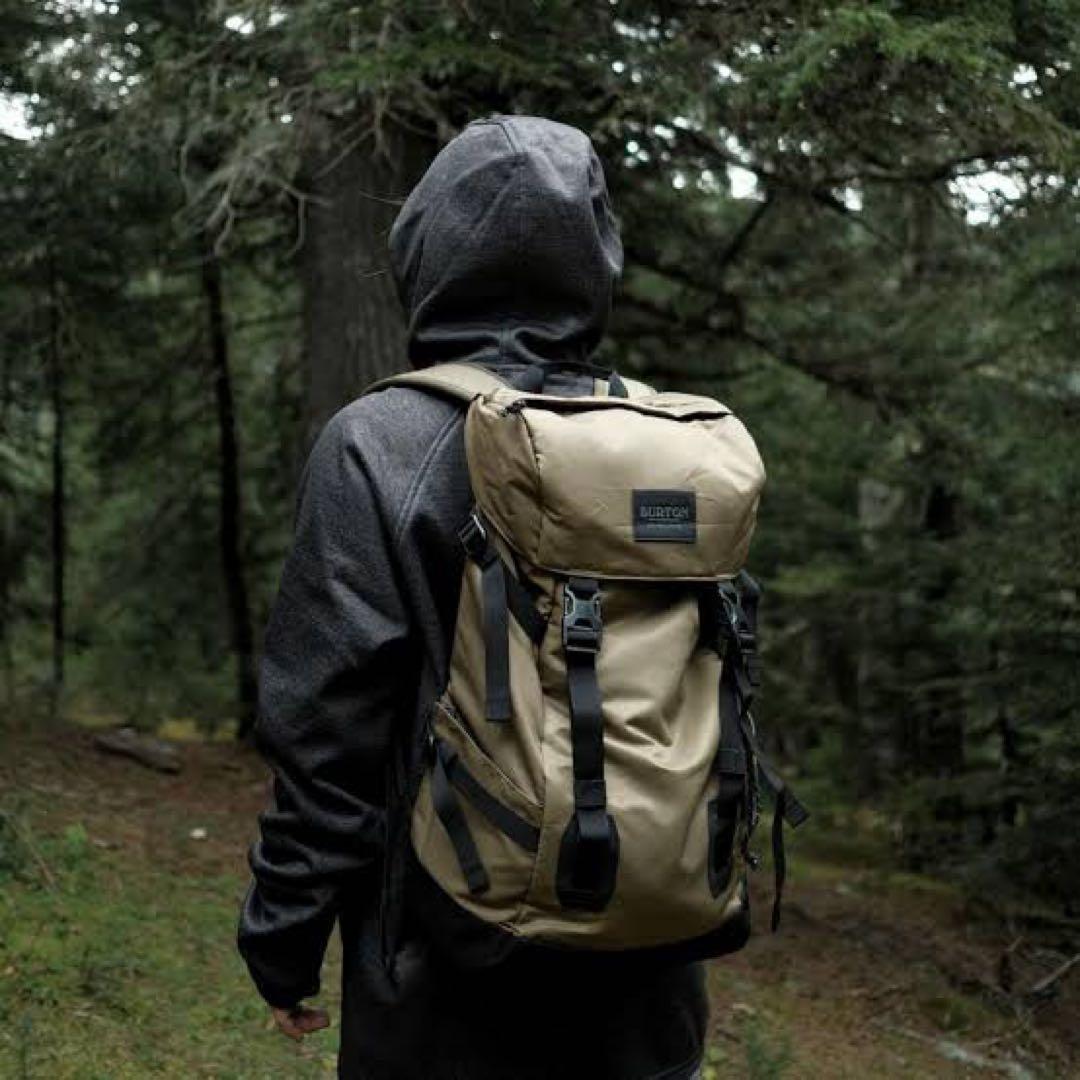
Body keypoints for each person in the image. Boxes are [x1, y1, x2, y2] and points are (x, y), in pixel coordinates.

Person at [238, 114, 708, 1080]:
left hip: (445, 971)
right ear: (596, 259)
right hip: (648, 966)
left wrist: (284, 933)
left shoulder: (382, 441)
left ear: (429, 251)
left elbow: (329, 730)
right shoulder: (673, 451)